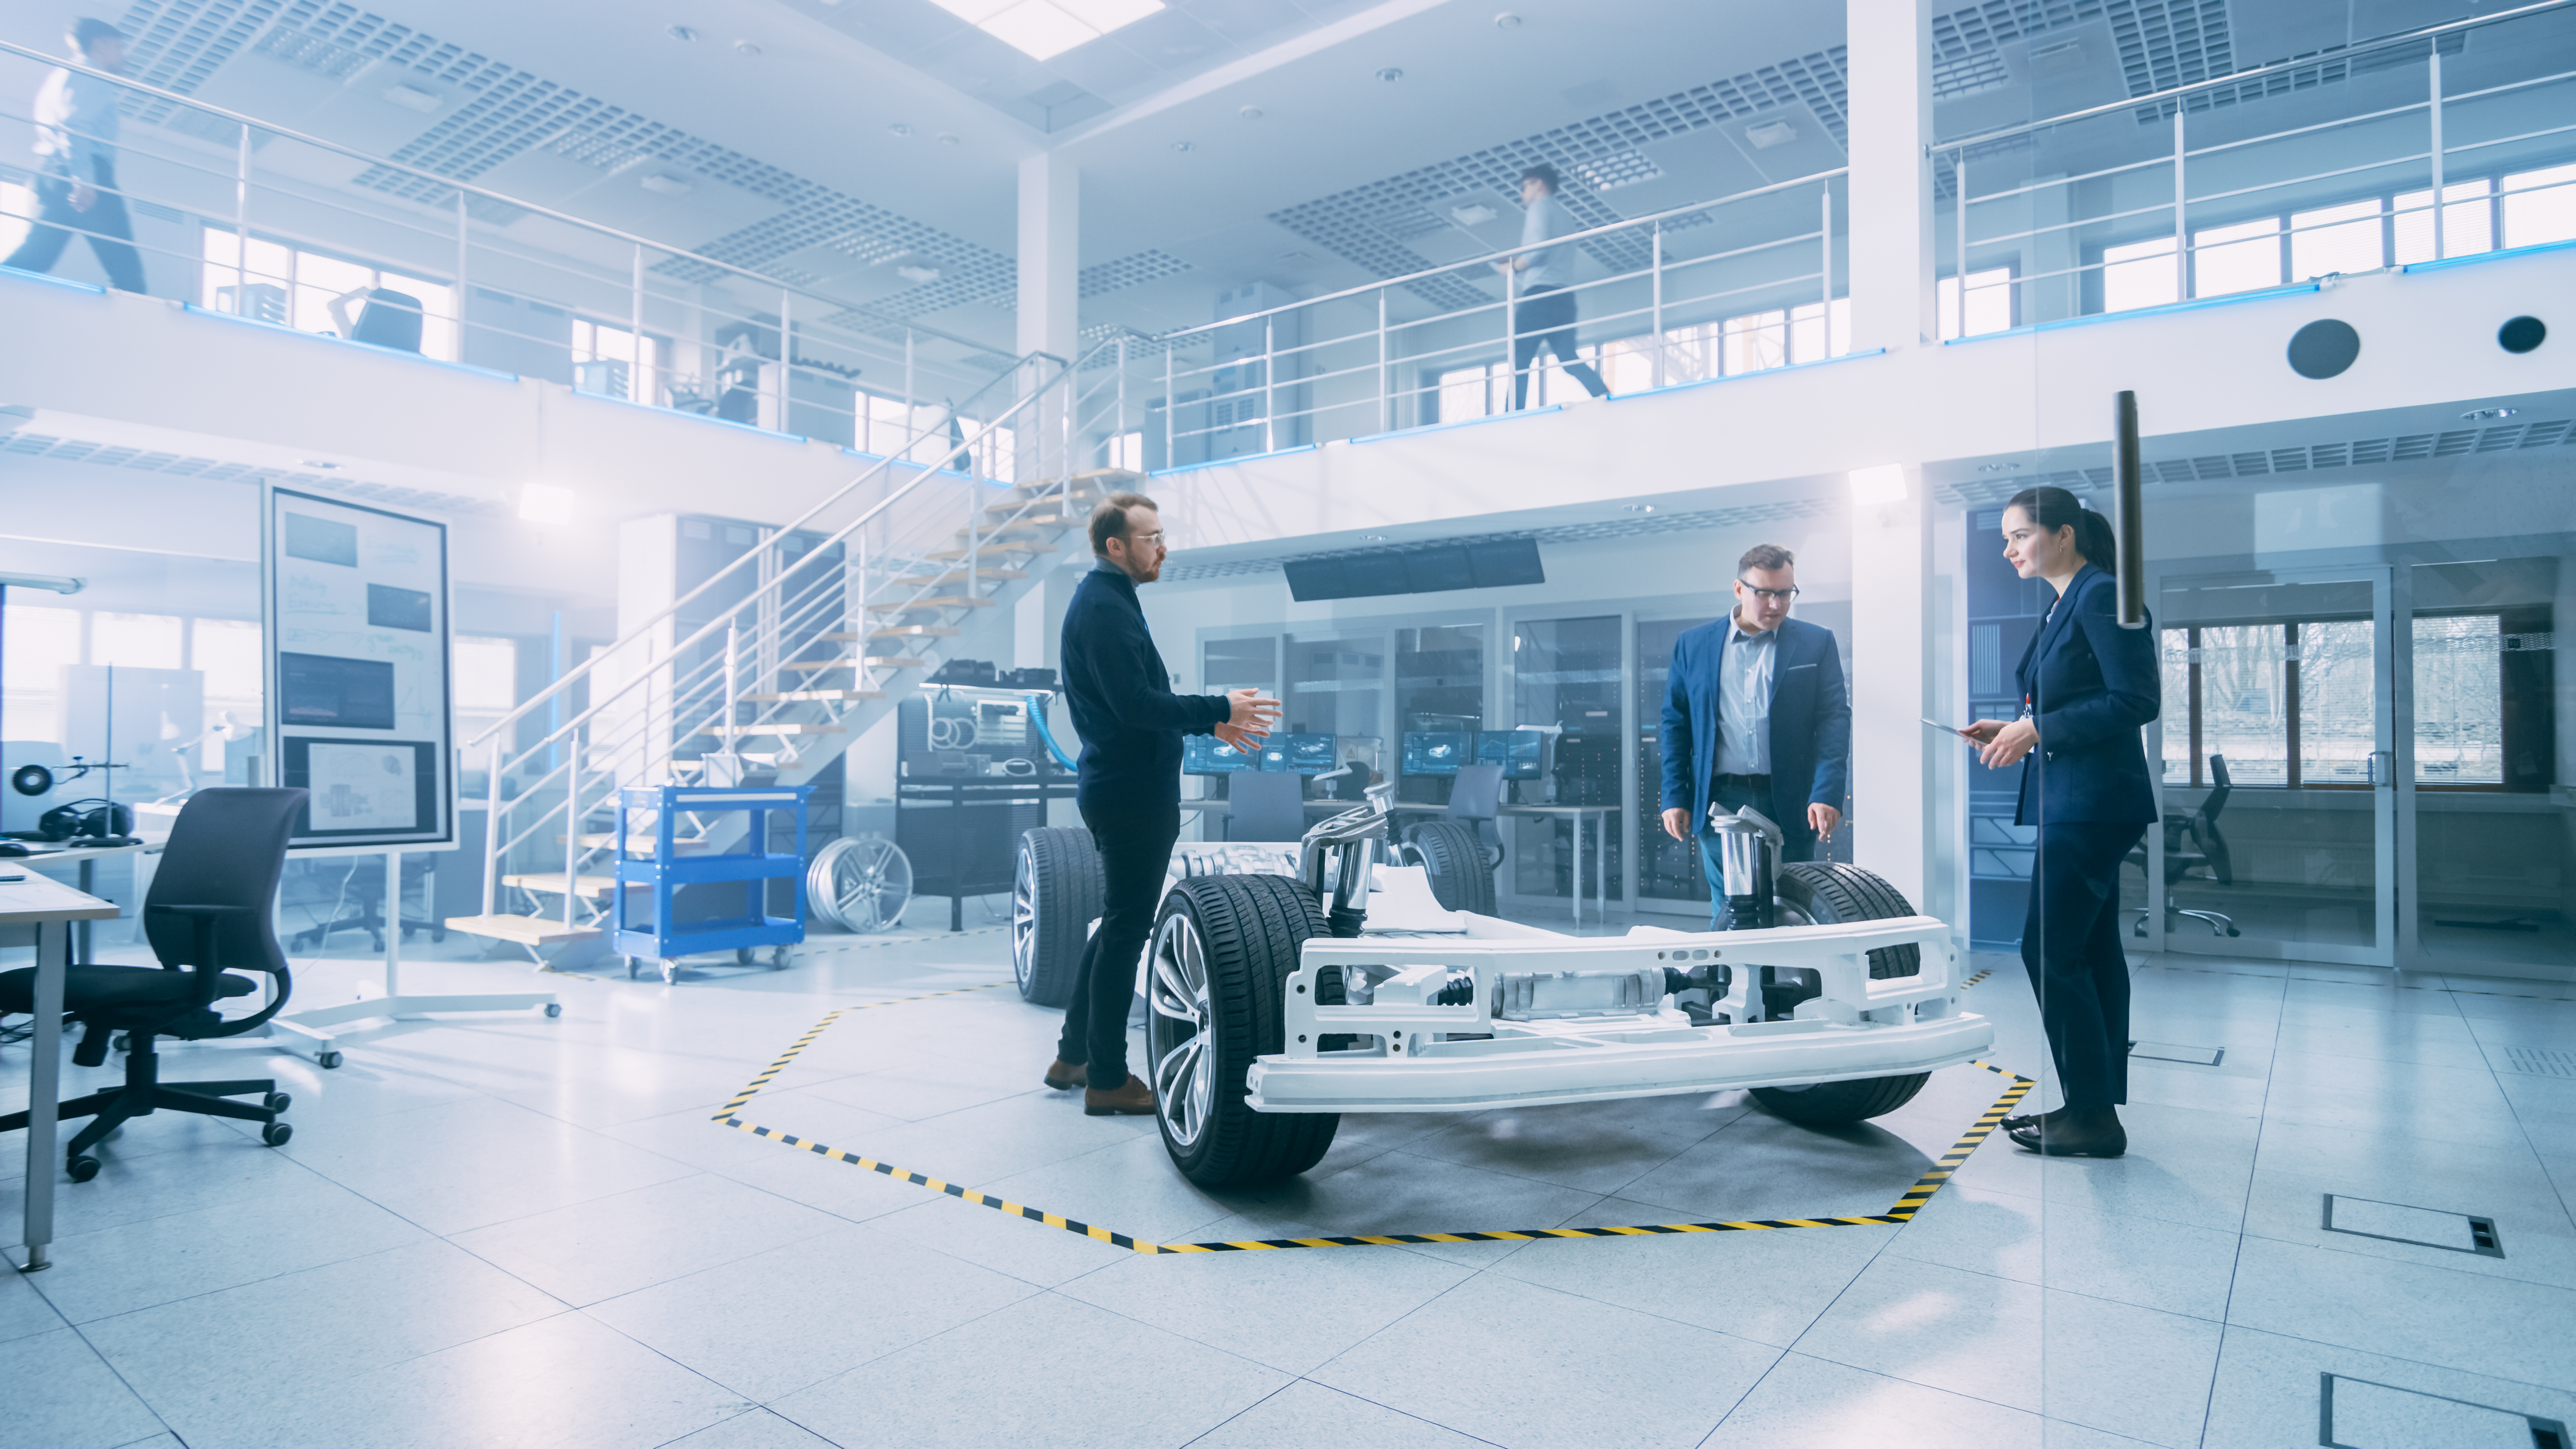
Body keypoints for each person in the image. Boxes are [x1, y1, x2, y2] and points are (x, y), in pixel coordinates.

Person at [1046, 491, 1280, 1116]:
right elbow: (1136, 706)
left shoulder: (1109, 601)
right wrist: (1217, 710)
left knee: (1117, 923)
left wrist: (1210, 726)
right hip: (1131, 795)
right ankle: (1106, 1078)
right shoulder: (1103, 609)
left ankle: (1073, 1055)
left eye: (1160, 535)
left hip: (1122, 787)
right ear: (1115, 546)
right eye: (1150, 538)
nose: (1163, 548)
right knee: (1126, 930)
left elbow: (1138, 703)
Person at [1961, 486, 2157, 1160]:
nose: (2010, 549)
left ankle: (2094, 1114)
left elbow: (2137, 698)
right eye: (2007, 539)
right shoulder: (2065, 602)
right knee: (2090, 952)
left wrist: (2037, 728)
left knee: (2047, 951)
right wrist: (2016, 727)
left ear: (2064, 534)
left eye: (2019, 535)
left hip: (2093, 801)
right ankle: (2091, 1109)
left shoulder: (2100, 594)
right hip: (2078, 797)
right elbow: (2074, 696)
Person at [1659, 543, 1851, 927]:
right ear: (1738, 589)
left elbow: (1834, 720)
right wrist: (1674, 796)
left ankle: (1795, 987)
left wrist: (1827, 792)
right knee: (1732, 911)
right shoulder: (1694, 646)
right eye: (1765, 593)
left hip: (1793, 800)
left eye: (1785, 593)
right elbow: (1675, 724)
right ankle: (1731, 986)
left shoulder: (1816, 642)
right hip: (1721, 801)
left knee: (1794, 909)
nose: (1777, 605)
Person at [4, 19, 146, 294]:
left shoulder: (60, 76)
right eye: (119, 47)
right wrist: (84, 180)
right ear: (100, 45)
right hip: (85, 173)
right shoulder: (90, 74)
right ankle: (136, 335)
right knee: (127, 273)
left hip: (51, 172)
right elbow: (77, 125)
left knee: (35, 258)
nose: (123, 57)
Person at [1496, 164, 1608, 411]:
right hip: (1563, 297)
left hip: (1539, 296)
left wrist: (1513, 268)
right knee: (1568, 358)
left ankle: (1511, 414)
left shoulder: (1539, 207)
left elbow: (1537, 249)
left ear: (1538, 184)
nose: (1522, 194)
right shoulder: (1565, 216)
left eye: (1524, 186)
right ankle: (1604, 396)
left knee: (1521, 359)